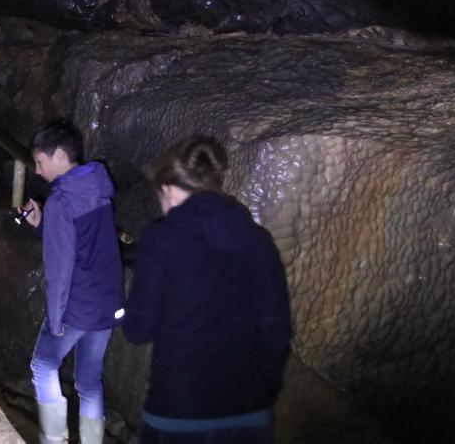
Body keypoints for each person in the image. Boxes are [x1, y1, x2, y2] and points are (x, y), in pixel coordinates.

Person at [122, 137, 292, 444]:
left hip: (179, 409)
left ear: (169, 190)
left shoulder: (161, 239)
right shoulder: (259, 241)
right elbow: (277, 330)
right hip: (249, 412)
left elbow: (138, 330)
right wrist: (262, 393)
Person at [21, 119, 124, 444]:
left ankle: (53, 438)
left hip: (77, 303)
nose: (37, 170)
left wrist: (55, 318)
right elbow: (84, 244)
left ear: (61, 157)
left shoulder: (62, 202)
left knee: (42, 365)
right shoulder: (96, 186)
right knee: (89, 382)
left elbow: (60, 267)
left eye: (40, 162)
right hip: (107, 301)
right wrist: (41, 224)